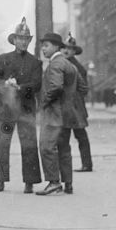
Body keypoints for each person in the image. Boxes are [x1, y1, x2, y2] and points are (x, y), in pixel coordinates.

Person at [0, 19, 43, 193]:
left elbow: (36, 84)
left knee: (29, 145)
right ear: (14, 40)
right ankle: (0, 180)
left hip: (26, 110)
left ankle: (30, 182)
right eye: (20, 38)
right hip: (6, 111)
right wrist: (4, 85)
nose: (23, 42)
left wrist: (19, 87)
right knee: (2, 145)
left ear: (29, 41)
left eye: (26, 39)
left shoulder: (36, 63)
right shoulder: (3, 59)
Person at [36, 32, 79, 196]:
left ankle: (54, 182)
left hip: (54, 113)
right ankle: (68, 183)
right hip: (67, 113)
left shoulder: (55, 64)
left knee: (46, 146)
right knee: (63, 148)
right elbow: (80, 87)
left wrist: (44, 102)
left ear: (55, 46)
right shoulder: (69, 64)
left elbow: (56, 87)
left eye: (46, 45)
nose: (43, 49)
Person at [63, 34, 94, 172]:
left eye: (70, 49)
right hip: (68, 105)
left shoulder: (78, 67)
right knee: (67, 135)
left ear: (75, 51)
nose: (66, 51)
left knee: (79, 135)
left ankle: (87, 164)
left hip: (75, 105)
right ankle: (82, 164)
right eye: (65, 48)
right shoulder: (64, 64)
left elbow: (84, 89)